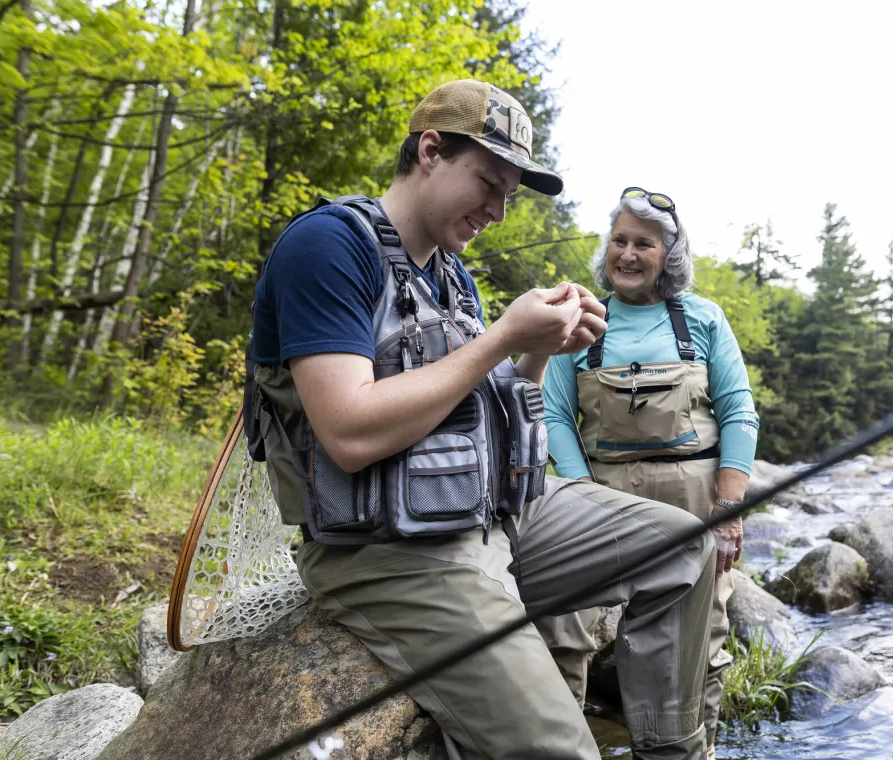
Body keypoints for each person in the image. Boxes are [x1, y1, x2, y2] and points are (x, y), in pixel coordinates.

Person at [245, 79, 718, 759]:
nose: (497, 211)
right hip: (384, 553)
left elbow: (489, 408)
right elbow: (347, 432)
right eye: (488, 184)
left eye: (509, 194)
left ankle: (670, 751)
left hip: (492, 512)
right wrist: (500, 337)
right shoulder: (326, 248)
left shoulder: (450, 272)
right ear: (431, 151)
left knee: (682, 546)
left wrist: (535, 352)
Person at [536, 188, 760, 756]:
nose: (628, 254)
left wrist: (728, 509)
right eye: (619, 240)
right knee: (562, 628)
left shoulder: (704, 318)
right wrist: (578, 491)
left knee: (699, 643)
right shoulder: (581, 317)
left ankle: (688, 750)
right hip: (598, 496)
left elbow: (739, 410)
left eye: (645, 243)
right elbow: (556, 414)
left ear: (670, 254)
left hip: (695, 499)